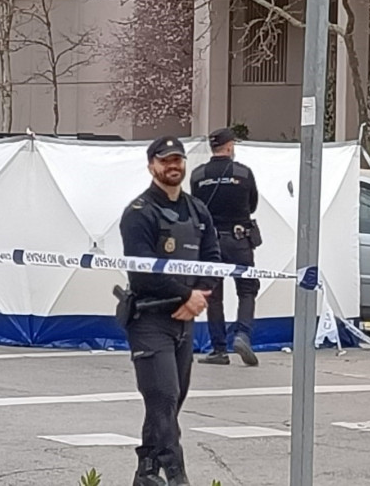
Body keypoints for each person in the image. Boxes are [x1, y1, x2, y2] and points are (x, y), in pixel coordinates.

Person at [119, 136, 220, 486]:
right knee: (163, 397)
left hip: (185, 321)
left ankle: (146, 472)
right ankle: (177, 477)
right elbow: (142, 273)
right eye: (165, 160)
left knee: (171, 402)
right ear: (151, 166)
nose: (172, 166)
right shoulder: (138, 213)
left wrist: (200, 298)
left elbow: (214, 260)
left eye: (177, 159)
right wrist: (185, 297)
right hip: (149, 319)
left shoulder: (197, 210)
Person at [191, 127, 261, 367]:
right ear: (229, 147)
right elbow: (252, 205)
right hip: (239, 240)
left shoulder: (198, 175)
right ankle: (242, 334)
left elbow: (195, 209)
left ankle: (219, 349)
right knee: (247, 290)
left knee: (214, 296)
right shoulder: (243, 173)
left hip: (210, 243)